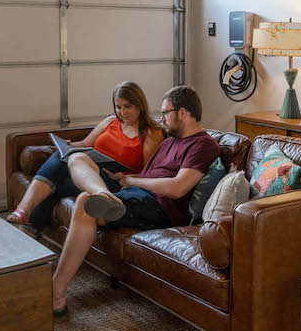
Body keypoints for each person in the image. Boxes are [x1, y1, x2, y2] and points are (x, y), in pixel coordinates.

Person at [50, 85, 220, 315]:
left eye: (165, 113)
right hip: (137, 193)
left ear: (183, 112)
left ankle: (56, 292)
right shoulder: (170, 140)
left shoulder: (203, 145)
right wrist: (126, 177)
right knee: (77, 159)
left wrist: (132, 182)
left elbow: (178, 187)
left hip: (159, 206)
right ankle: (103, 195)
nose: (162, 119)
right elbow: (150, 175)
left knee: (83, 202)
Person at [6, 81, 165, 231]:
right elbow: (84, 144)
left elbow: (149, 173)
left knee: (58, 177)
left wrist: (120, 177)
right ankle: (27, 219)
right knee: (63, 158)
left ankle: (26, 217)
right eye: (118, 107)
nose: (122, 112)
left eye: (127, 106)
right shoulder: (110, 121)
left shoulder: (151, 133)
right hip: (86, 170)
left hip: (113, 181)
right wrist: (68, 145)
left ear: (139, 105)